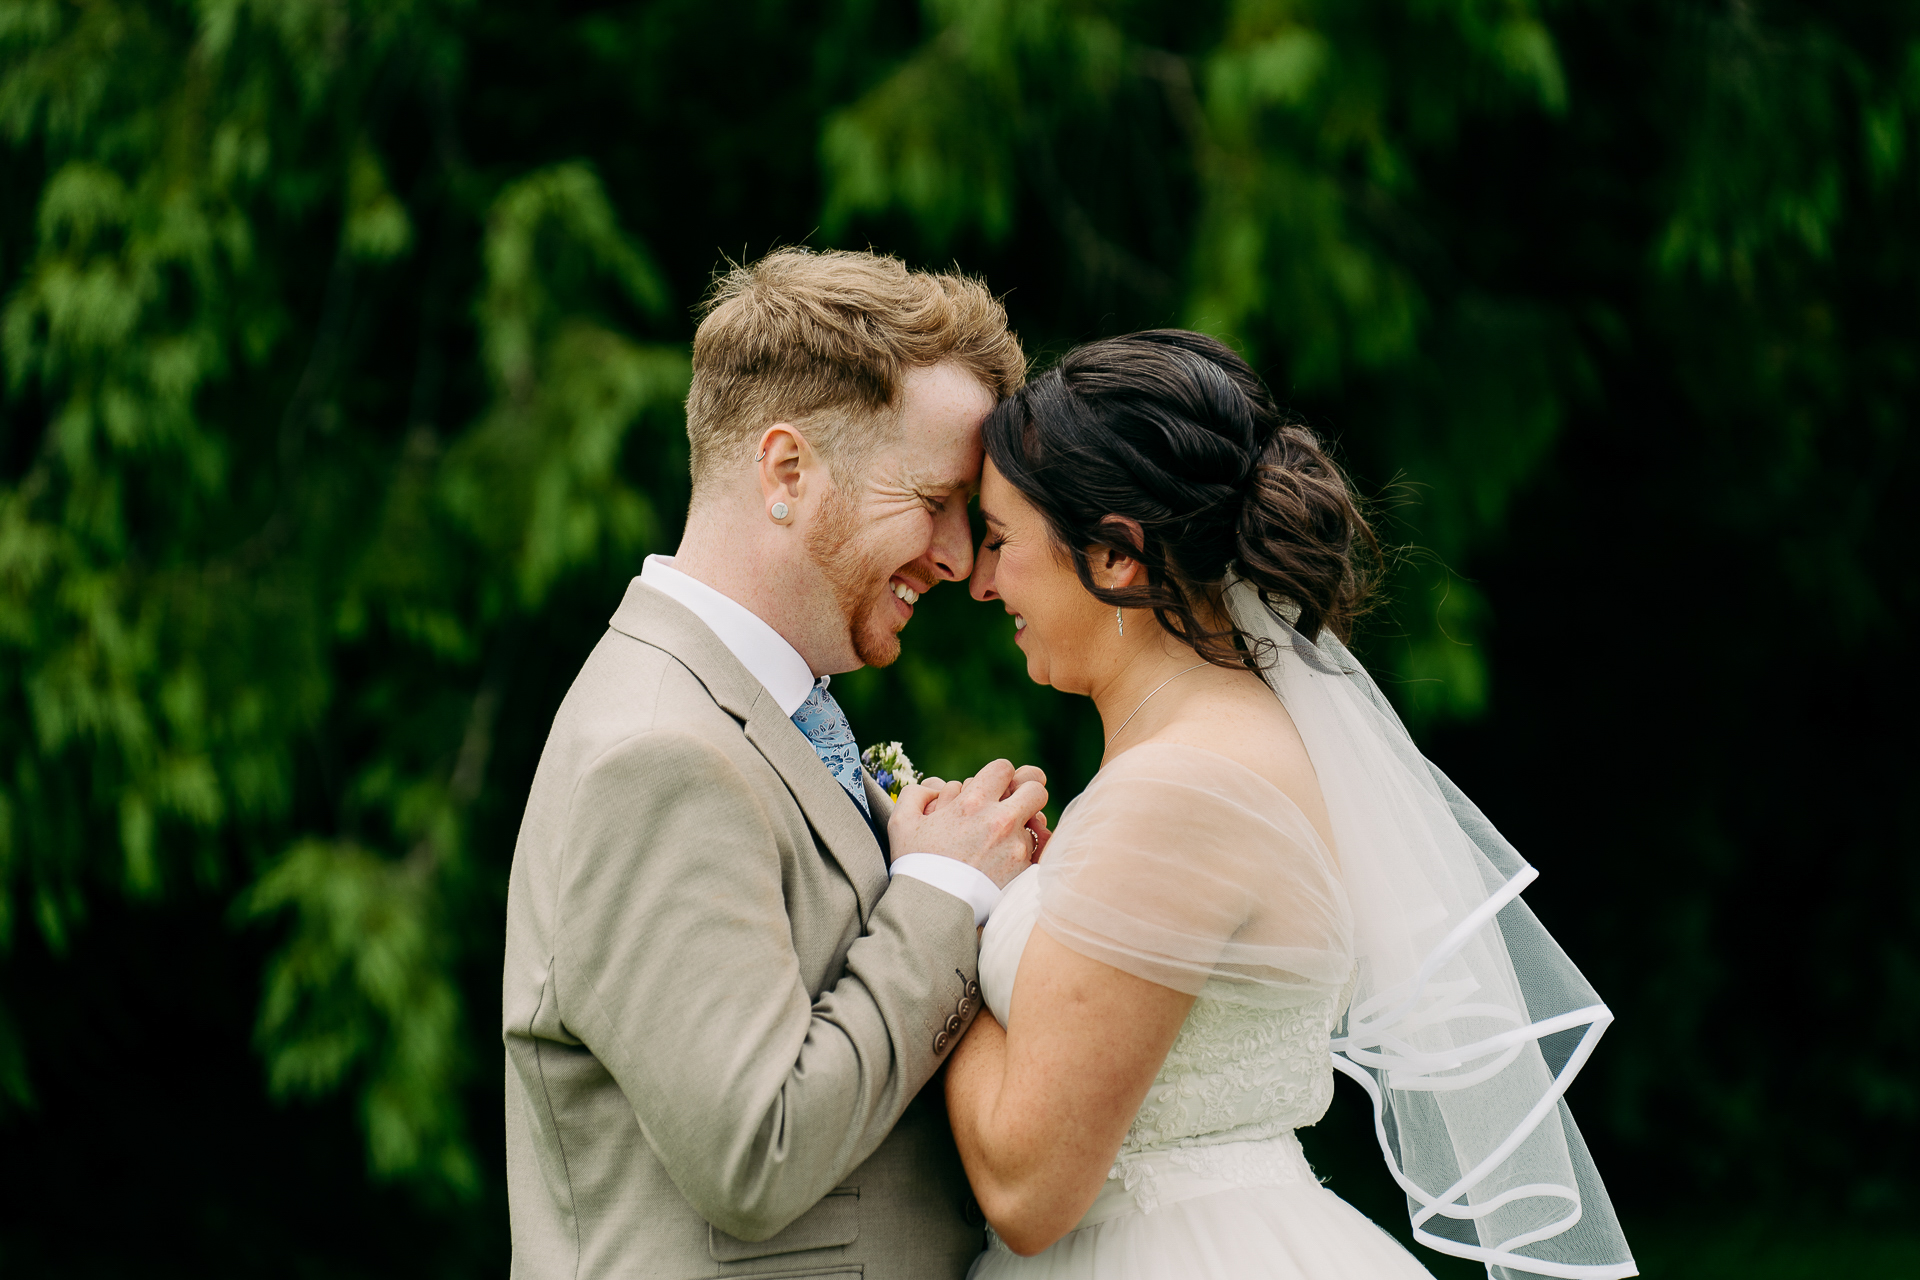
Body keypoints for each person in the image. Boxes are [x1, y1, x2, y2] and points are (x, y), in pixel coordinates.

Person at [926, 330, 1637, 1279]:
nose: (979, 579)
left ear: (1117, 555)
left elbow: (1027, 1191)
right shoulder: (1242, 745)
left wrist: (946, 899)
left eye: (1003, 541)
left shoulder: (1183, 787)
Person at [502, 248, 1051, 1280]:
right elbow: (757, 1149)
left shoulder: (766, 713)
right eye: (934, 500)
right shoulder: (660, 752)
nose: (958, 554)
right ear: (788, 472)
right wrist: (940, 890)